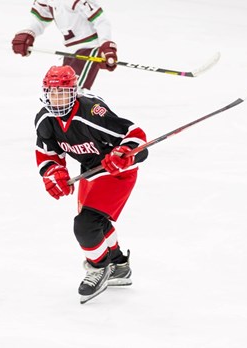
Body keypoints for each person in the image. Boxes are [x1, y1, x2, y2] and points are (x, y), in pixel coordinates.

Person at [34, 65, 148, 304]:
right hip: (89, 170)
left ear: (73, 92)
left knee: (85, 225)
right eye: (52, 93)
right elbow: (48, 153)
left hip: (117, 171)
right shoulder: (45, 119)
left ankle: (99, 267)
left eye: (63, 93)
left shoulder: (91, 112)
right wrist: (53, 172)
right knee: (96, 223)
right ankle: (118, 265)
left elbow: (136, 135)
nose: (57, 99)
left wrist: (124, 153)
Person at [12, 0, 118, 91]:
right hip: (70, 52)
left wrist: (106, 44)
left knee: (73, 90)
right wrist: (30, 32)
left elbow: (101, 20)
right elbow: (40, 18)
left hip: (89, 48)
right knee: (62, 91)